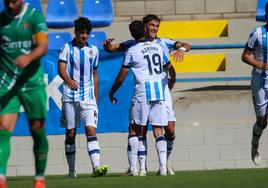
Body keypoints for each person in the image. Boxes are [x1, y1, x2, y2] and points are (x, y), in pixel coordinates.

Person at [103, 14, 191, 176]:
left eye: (157, 26)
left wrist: (181, 50)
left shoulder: (162, 42)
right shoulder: (135, 44)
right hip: (157, 90)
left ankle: (152, 165)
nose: (154, 29)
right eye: (152, 25)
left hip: (156, 91)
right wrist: (107, 45)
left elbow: (186, 45)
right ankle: (147, 167)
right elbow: (112, 48)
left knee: (164, 129)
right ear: (145, 26)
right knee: (156, 129)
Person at [109, 20, 171, 175]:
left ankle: (137, 168)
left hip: (142, 92)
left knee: (135, 129)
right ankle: (163, 167)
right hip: (158, 92)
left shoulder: (132, 50)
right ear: (144, 30)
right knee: (158, 129)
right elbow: (170, 67)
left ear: (131, 34)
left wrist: (112, 92)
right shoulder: (158, 46)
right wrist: (172, 81)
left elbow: (121, 78)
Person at [0, 0, 49, 188]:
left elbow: (43, 46)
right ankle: (1, 178)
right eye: (7, 2)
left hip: (32, 84)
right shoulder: (1, 20)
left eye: (14, 1)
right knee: (3, 130)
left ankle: (39, 178)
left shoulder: (34, 16)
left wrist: (28, 57)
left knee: (37, 130)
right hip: (7, 84)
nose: (10, 5)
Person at [58, 17, 108, 179]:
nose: (84, 36)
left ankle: (96, 167)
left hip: (88, 97)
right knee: (71, 133)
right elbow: (61, 68)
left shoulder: (94, 50)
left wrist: (96, 95)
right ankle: (72, 171)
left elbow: (95, 73)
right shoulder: (66, 48)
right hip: (70, 97)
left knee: (90, 130)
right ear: (76, 32)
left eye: (87, 33)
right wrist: (68, 80)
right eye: (82, 33)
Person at [242, 3, 268, 166]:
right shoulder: (257, 33)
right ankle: (254, 146)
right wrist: (259, 65)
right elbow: (245, 56)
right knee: (262, 122)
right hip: (260, 81)